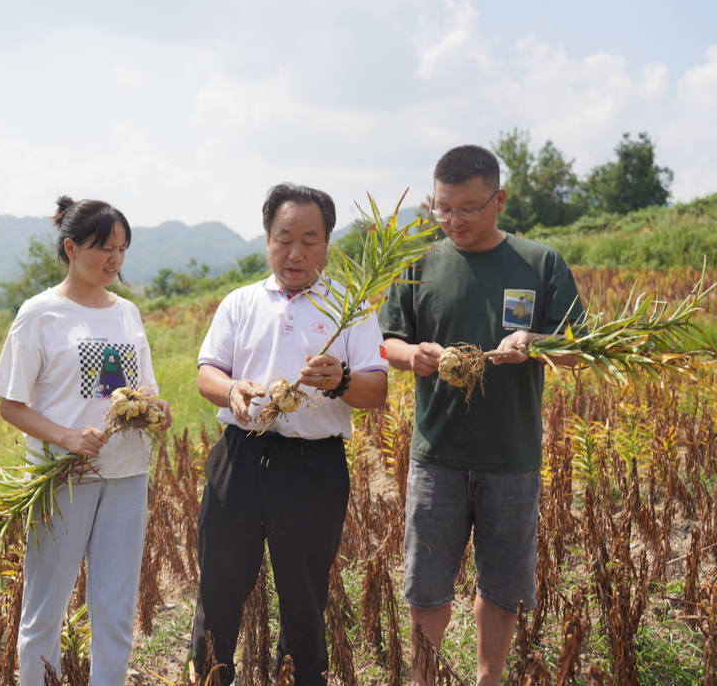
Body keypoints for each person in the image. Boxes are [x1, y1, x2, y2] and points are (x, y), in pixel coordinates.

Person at [377, 145, 584, 686]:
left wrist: (534, 343)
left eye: (468, 208)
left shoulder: (540, 263)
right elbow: (387, 342)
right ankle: (425, 677)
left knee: (502, 584)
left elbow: (579, 348)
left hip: (510, 456)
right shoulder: (418, 265)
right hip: (436, 455)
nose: (454, 221)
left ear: (500, 199)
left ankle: (488, 678)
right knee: (427, 584)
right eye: (444, 208)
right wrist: (414, 355)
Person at [190, 182, 390, 686]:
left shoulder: (352, 306)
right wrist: (232, 389)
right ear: (266, 240)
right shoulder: (241, 302)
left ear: (327, 243)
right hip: (239, 455)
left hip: (312, 466)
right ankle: (210, 676)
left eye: (309, 239)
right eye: (284, 238)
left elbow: (377, 390)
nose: (295, 252)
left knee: (303, 595)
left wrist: (341, 379)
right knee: (218, 586)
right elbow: (207, 372)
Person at [0, 195, 172, 686]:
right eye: (103, 248)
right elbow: (11, 403)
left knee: (114, 606)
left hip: (127, 474)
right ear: (70, 247)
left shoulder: (128, 313)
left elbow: (144, 391)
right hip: (64, 477)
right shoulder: (40, 314)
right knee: (45, 607)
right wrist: (65, 436)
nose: (115, 259)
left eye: (122, 248)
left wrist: (157, 411)